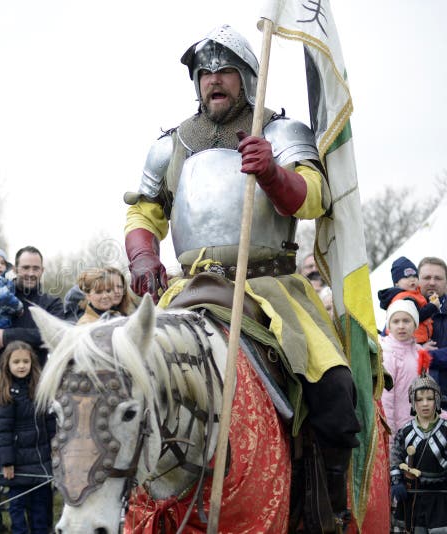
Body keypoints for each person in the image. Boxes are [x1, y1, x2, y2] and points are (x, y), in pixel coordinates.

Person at [121, 24, 360, 524]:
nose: (214, 80)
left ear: (248, 77)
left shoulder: (280, 132)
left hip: (271, 288)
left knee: (334, 389)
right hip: (188, 287)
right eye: (204, 72)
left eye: (224, 70)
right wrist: (144, 256)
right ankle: (128, 500)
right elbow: (144, 214)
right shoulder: (170, 146)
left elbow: (315, 197)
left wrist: (275, 174)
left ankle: (325, 510)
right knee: (128, 381)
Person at [0, 245, 64, 534]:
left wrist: (8, 336)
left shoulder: (50, 303)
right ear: (15, 268)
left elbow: (54, 334)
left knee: (34, 465)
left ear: (42, 270)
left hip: (35, 395)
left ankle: (38, 526)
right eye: (25, 267)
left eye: (35, 268)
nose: (30, 273)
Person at [0, 341, 54, 534]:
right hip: (17, 465)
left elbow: (50, 420)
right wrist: (7, 462)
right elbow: (2, 431)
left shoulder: (41, 388)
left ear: (32, 363)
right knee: (17, 508)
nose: (21, 366)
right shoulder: (6, 393)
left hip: (41, 461)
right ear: (7, 365)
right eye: (16, 362)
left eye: (25, 361)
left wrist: (55, 444)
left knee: (40, 508)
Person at [390, 374, 447, 532]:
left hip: (441, 498)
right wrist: (396, 482)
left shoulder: (446, 430)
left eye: (429, 398)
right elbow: (395, 457)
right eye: (419, 399)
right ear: (413, 403)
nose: (425, 404)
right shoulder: (406, 431)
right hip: (413, 495)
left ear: (436, 401)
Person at [381, 300, 429, 448]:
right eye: (396, 321)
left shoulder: (420, 352)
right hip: (397, 429)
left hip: (418, 426)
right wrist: (390, 433)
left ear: (415, 324)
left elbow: (426, 391)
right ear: (389, 326)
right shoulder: (388, 353)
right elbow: (386, 398)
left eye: (406, 320)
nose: (401, 326)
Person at [377, 256, 438, 345]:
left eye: (414, 276)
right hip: (411, 342)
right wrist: (433, 306)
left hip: (416, 340)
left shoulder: (414, 293)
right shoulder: (404, 298)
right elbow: (415, 316)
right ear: (396, 283)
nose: (412, 279)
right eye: (406, 277)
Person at [419, 257, 447, 406]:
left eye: (438, 278)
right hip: (412, 406)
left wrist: (423, 355)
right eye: (427, 277)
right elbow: (390, 351)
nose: (432, 282)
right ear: (417, 280)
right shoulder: (401, 312)